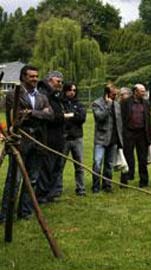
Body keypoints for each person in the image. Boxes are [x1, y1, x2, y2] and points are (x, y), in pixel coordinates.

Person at [0, 65, 53, 222]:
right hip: (20, 142)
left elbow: (50, 115)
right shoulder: (13, 94)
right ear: (23, 77)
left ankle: (25, 211)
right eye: (31, 76)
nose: (35, 79)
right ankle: (4, 215)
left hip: (38, 142)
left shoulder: (42, 97)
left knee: (32, 179)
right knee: (14, 180)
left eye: (36, 76)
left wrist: (31, 113)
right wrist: (39, 113)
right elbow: (17, 116)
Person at [36, 70, 65, 203]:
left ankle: (50, 194)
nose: (60, 84)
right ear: (49, 80)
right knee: (46, 168)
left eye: (61, 82)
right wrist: (61, 117)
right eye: (58, 81)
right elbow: (48, 116)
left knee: (55, 167)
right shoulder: (43, 94)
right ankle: (41, 195)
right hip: (47, 137)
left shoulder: (55, 95)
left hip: (58, 137)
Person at [120, 83, 151, 188]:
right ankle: (124, 180)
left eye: (144, 91)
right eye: (142, 91)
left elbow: (148, 121)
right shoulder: (125, 103)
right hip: (129, 133)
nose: (144, 92)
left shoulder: (146, 103)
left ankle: (144, 181)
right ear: (135, 92)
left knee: (142, 159)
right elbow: (122, 118)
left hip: (142, 134)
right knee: (128, 157)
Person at [92, 84, 123, 193]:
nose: (115, 96)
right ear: (107, 94)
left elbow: (120, 123)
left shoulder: (117, 105)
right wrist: (108, 106)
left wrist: (120, 139)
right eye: (113, 94)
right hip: (101, 139)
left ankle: (107, 185)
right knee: (97, 162)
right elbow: (99, 117)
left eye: (116, 94)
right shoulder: (97, 103)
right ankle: (95, 186)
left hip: (114, 139)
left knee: (109, 164)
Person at [60, 82, 87, 196]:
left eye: (74, 90)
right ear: (65, 91)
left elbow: (82, 117)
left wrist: (69, 115)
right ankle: (57, 189)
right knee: (60, 165)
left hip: (77, 138)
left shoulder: (79, 104)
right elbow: (60, 117)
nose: (72, 92)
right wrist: (73, 115)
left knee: (79, 165)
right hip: (64, 138)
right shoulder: (61, 103)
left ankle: (81, 189)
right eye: (70, 90)